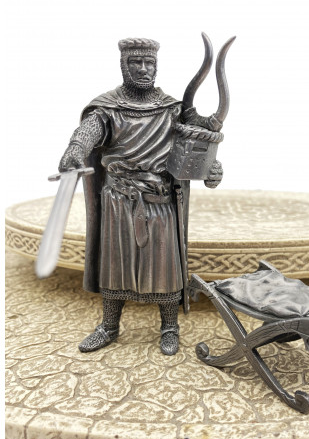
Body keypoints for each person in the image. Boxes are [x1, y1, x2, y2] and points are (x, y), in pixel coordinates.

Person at [58, 38, 223, 356]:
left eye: (149, 63)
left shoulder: (172, 110)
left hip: (160, 200)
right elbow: (89, 130)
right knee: (115, 265)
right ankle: (109, 326)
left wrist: (212, 170)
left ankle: (170, 327)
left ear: (156, 66)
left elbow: (196, 149)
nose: (144, 69)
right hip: (118, 201)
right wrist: (75, 148)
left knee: (165, 266)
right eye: (136, 62)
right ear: (124, 65)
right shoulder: (108, 108)